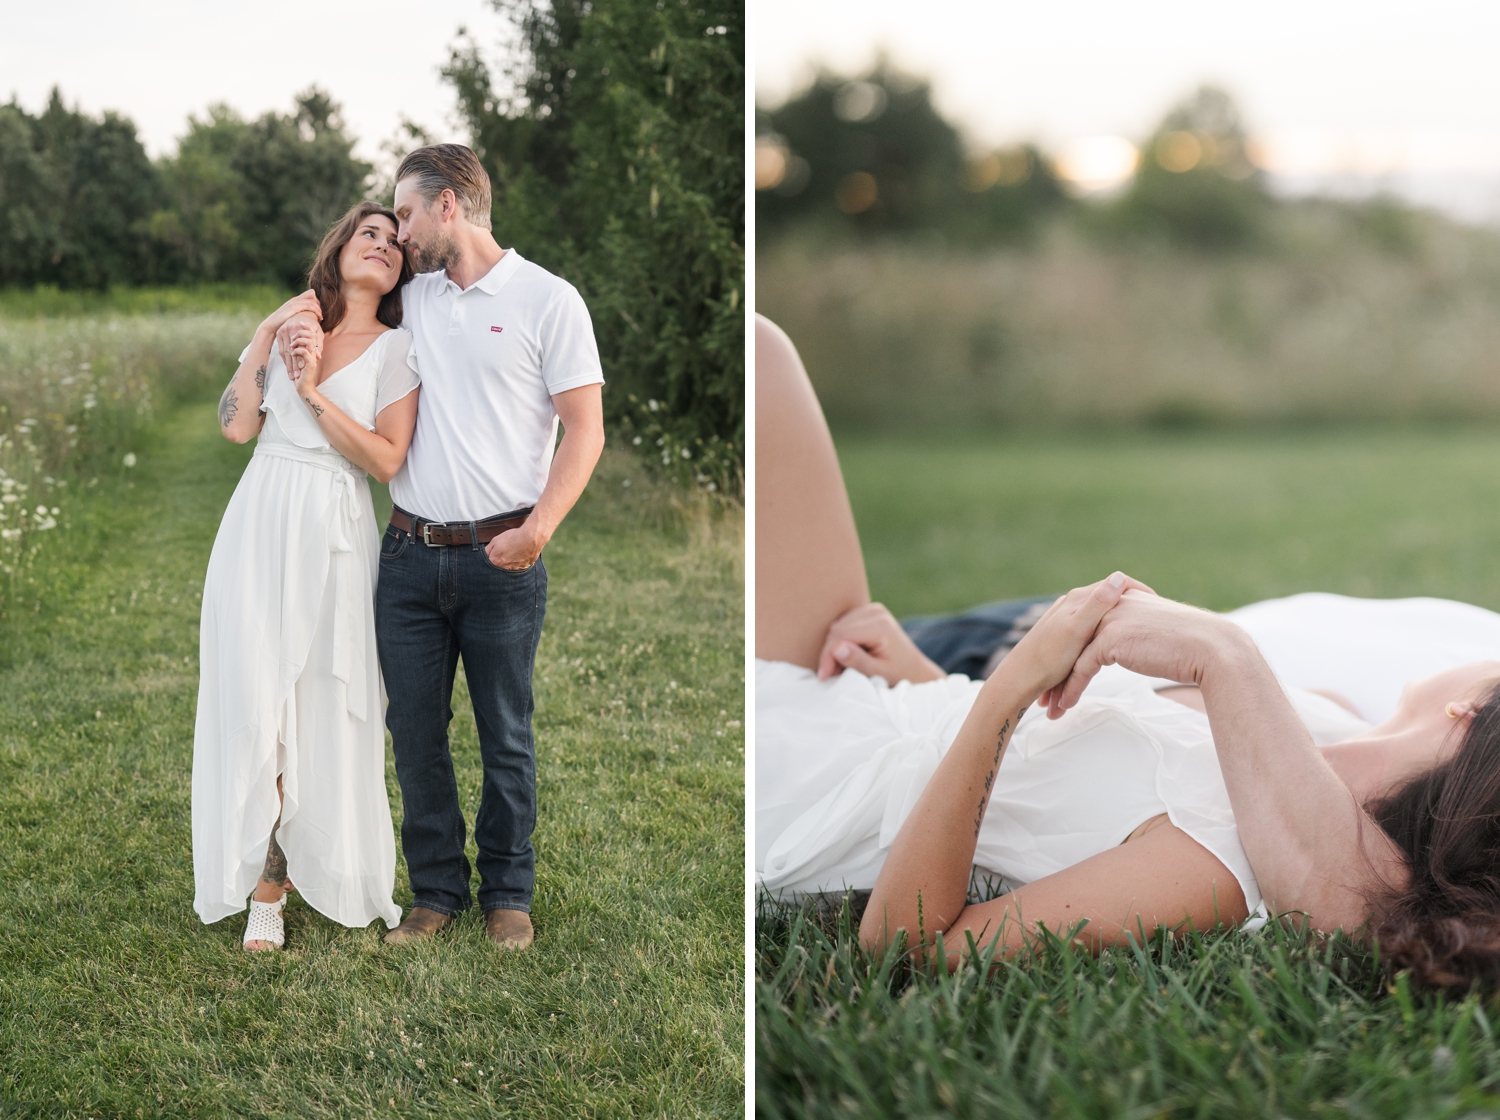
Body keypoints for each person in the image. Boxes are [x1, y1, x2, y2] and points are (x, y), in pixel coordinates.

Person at [756, 313, 1500, 993]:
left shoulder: (1217, 860)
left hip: (809, 782)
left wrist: (1006, 688)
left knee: (760, 355)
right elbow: (1054, 765)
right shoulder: (1314, 718)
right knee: (761, 354)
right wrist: (926, 678)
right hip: (875, 696)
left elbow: (909, 949)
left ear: (1471, 711)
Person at [279, 144, 605, 951]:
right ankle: (434, 893)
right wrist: (285, 339)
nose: (400, 230)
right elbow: (329, 305)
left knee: (506, 732)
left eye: (410, 212)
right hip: (407, 557)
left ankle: (508, 896)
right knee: (416, 734)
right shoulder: (409, 301)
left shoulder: (548, 300)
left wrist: (540, 528)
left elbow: (585, 429)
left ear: (450, 205)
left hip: (505, 556)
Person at [193, 202, 420, 950]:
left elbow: (387, 461)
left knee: (318, 701)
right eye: (369, 233)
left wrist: (316, 390)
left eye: (395, 242)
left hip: (335, 528)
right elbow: (235, 424)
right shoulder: (296, 329)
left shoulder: (397, 350)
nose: (383, 246)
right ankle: (262, 872)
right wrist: (267, 334)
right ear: (341, 247)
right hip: (261, 519)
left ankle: (275, 887)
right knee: (256, 697)